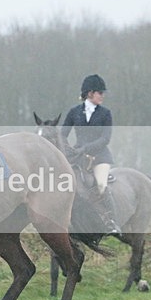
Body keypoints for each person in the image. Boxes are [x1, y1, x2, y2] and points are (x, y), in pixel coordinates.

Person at [60, 74, 121, 235]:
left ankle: (112, 222)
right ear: (90, 93)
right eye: (100, 93)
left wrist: (85, 148)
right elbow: (62, 134)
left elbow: (105, 139)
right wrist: (68, 149)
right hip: (78, 157)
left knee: (101, 185)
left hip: (100, 157)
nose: (103, 96)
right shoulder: (74, 112)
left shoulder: (105, 113)